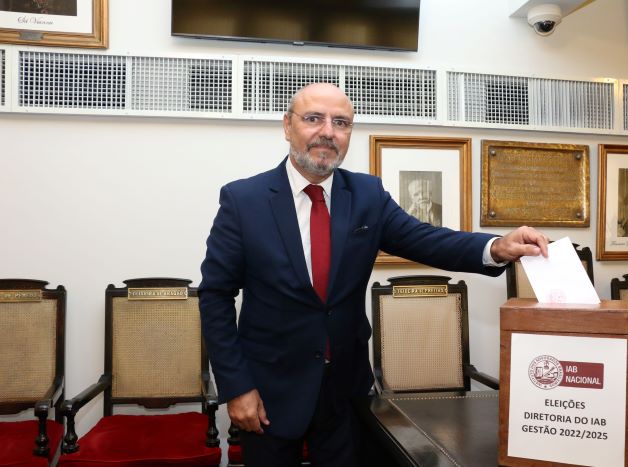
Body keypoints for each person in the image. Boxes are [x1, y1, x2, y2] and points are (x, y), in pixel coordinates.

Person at [199, 82, 549, 467]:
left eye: (341, 123)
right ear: (287, 126)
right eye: (314, 119)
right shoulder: (243, 200)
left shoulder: (367, 195)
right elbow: (215, 297)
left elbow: (426, 240)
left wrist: (495, 247)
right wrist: (237, 386)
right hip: (270, 392)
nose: (328, 132)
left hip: (345, 393)